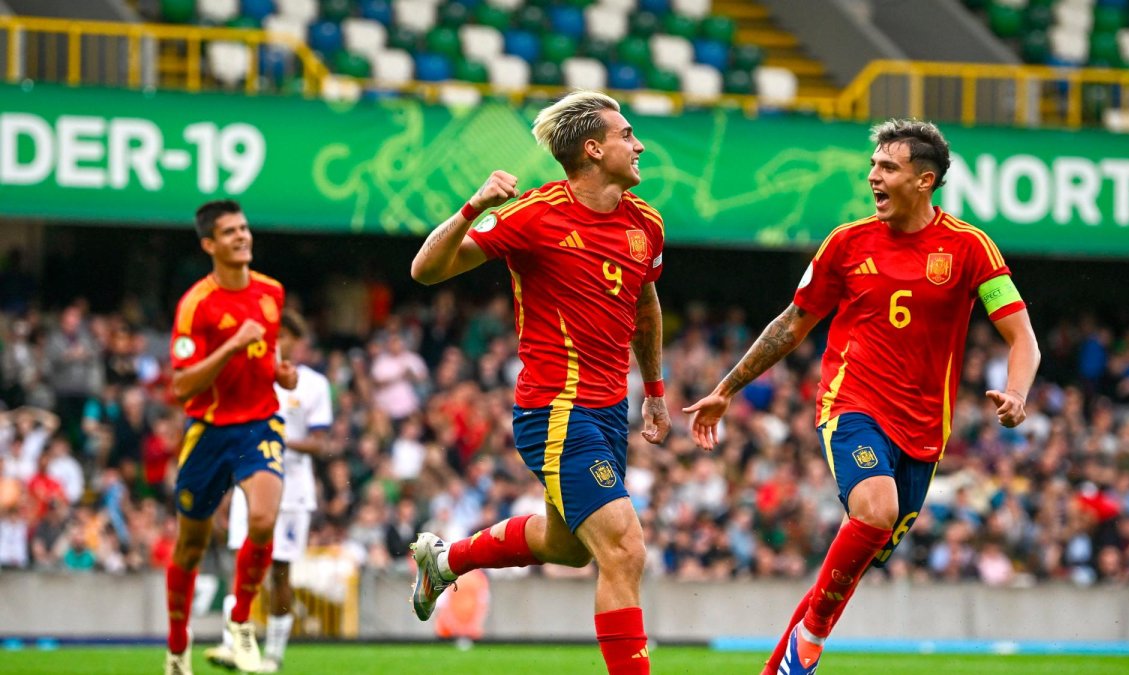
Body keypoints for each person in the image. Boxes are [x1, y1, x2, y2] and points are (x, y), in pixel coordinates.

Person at [684, 119, 1040, 675]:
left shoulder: (970, 249)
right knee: (876, 510)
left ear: (924, 181)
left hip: (924, 433)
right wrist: (725, 389)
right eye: (873, 165)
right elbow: (791, 325)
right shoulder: (846, 244)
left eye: (887, 167)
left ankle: (782, 662)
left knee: (857, 555)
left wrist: (1017, 394)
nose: (872, 175)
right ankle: (813, 642)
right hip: (852, 407)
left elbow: (1022, 337)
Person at [409, 90, 669, 675]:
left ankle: (446, 561)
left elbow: (646, 307)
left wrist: (653, 391)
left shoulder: (646, 223)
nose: (640, 144)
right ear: (594, 149)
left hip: (609, 413)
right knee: (624, 549)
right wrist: (471, 208)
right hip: (555, 409)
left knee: (568, 548)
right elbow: (425, 271)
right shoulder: (535, 214)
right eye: (628, 135)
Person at [164, 200, 298, 675]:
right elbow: (181, 386)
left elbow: (267, 354)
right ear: (209, 245)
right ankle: (178, 648)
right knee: (190, 548)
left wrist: (282, 373)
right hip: (208, 433)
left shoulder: (272, 293)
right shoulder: (196, 305)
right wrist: (230, 346)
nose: (242, 236)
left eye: (244, 228)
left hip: (260, 424)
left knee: (263, 520)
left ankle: (240, 626)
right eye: (229, 232)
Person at [205, 310, 332, 673]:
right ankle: (233, 643)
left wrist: (281, 440)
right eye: (276, 338)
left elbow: (320, 443)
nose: (280, 345)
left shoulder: (314, 385)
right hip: (251, 481)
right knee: (242, 562)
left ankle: (274, 653)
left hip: (293, 488)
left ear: (299, 342)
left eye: (288, 338)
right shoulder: (253, 379)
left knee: (280, 570)